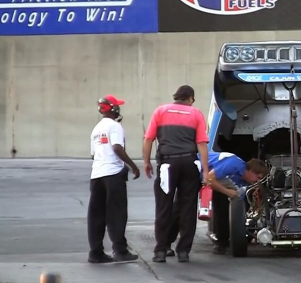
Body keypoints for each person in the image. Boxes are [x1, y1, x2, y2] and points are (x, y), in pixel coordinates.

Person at [143, 85, 210, 263]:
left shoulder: (160, 111)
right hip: (189, 164)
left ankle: (160, 251)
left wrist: (146, 162)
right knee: (187, 208)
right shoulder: (196, 114)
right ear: (190, 99)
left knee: (164, 207)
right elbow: (202, 144)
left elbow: (148, 139)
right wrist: (205, 170)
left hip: (167, 165)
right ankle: (183, 251)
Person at [88, 95, 140, 264]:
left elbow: (93, 155)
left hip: (96, 175)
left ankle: (95, 253)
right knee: (116, 213)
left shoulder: (96, 129)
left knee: (96, 215)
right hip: (113, 174)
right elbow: (117, 147)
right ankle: (120, 250)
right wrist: (133, 165)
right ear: (113, 108)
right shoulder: (115, 126)